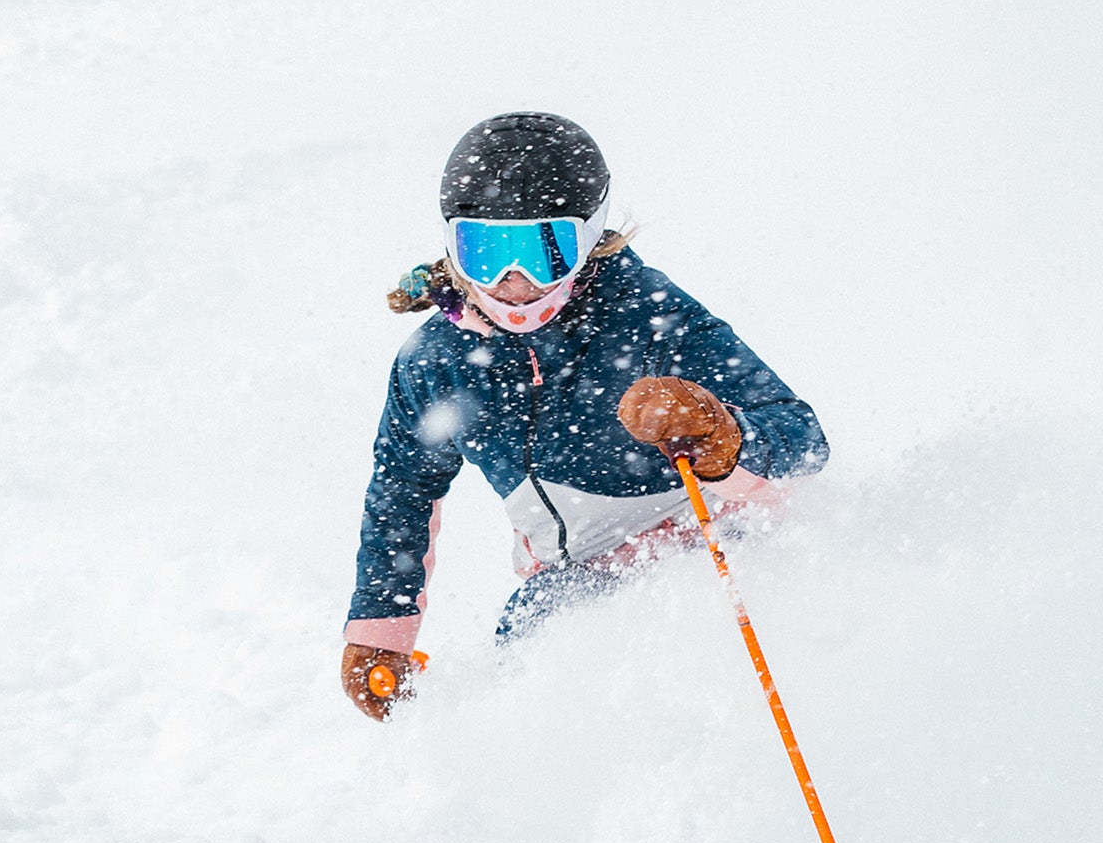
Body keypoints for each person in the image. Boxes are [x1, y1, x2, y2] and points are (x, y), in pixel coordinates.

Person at [340, 112, 829, 721]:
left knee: (683, 645)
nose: (512, 281)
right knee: (534, 648)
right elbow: (401, 492)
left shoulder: (647, 314)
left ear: (591, 237)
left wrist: (724, 436)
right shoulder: (437, 361)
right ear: (451, 244)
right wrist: (380, 633)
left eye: (544, 252)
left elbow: (803, 437)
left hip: (712, 537)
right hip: (576, 578)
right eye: (486, 251)